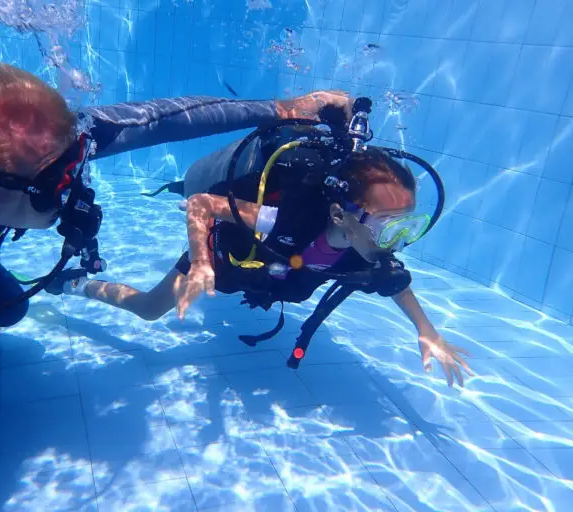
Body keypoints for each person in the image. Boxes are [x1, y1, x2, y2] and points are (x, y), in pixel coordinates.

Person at [0, 60, 349, 512]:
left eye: (74, 171)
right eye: (54, 191)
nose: (72, 196)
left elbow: (164, 118)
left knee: (6, 310)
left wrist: (280, 109)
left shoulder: (41, 146)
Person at [56, 114, 475, 389]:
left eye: (407, 227)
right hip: (222, 258)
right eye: (388, 227)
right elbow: (201, 204)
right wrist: (202, 264)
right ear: (340, 213)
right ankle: (76, 284)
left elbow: (395, 284)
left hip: (274, 272)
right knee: (149, 309)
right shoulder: (287, 218)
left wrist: (427, 330)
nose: (394, 241)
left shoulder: (367, 248)